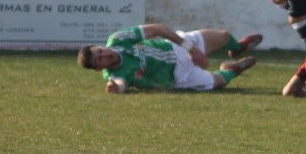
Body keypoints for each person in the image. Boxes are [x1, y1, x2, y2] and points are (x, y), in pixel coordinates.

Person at [77, 23, 262, 93]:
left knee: (223, 36)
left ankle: (238, 48)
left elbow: (158, 28)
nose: (104, 55)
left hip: (175, 48)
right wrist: (116, 88)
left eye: (100, 51)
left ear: (100, 46)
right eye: (99, 60)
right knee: (220, 82)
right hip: (177, 77)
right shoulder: (115, 74)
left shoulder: (118, 39)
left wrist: (190, 49)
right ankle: (232, 69)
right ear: (99, 68)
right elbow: (121, 84)